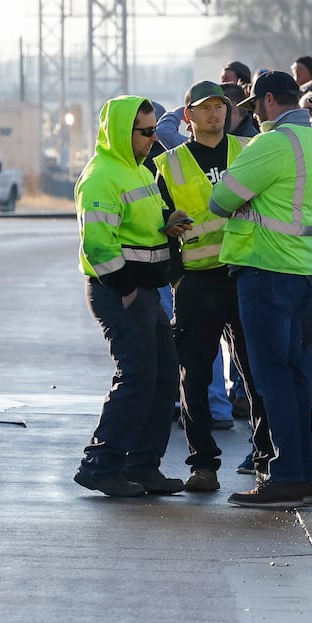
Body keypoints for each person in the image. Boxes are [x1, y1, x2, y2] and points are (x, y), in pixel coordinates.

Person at [209, 69, 312, 508]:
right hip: (297, 269)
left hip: (264, 269)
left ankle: (286, 476)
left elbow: (220, 199)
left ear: (270, 101)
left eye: (255, 105)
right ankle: (299, 471)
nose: (253, 114)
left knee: (271, 376)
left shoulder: (272, 143)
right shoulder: (311, 142)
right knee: (296, 377)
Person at [154, 80, 273, 494]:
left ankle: (265, 460)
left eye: (220, 106)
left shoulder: (249, 150)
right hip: (198, 281)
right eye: (204, 108)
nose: (215, 114)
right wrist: (177, 277)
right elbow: (160, 225)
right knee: (195, 377)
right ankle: (203, 464)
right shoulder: (169, 165)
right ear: (188, 116)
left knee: (257, 374)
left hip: (245, 274)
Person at [73, 95, 191, 498]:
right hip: (120, 291)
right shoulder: (102, 176)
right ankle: (101, 465)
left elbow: (138, 223)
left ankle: (142, 466)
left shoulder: (137, 171)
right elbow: (98, 245)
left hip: (143, 289)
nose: (152, 138)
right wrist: (125, 291)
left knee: (160, 377)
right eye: (145, 132)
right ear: (124, 133)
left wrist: (166, 223)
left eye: (155, 129)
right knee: (137, 377)